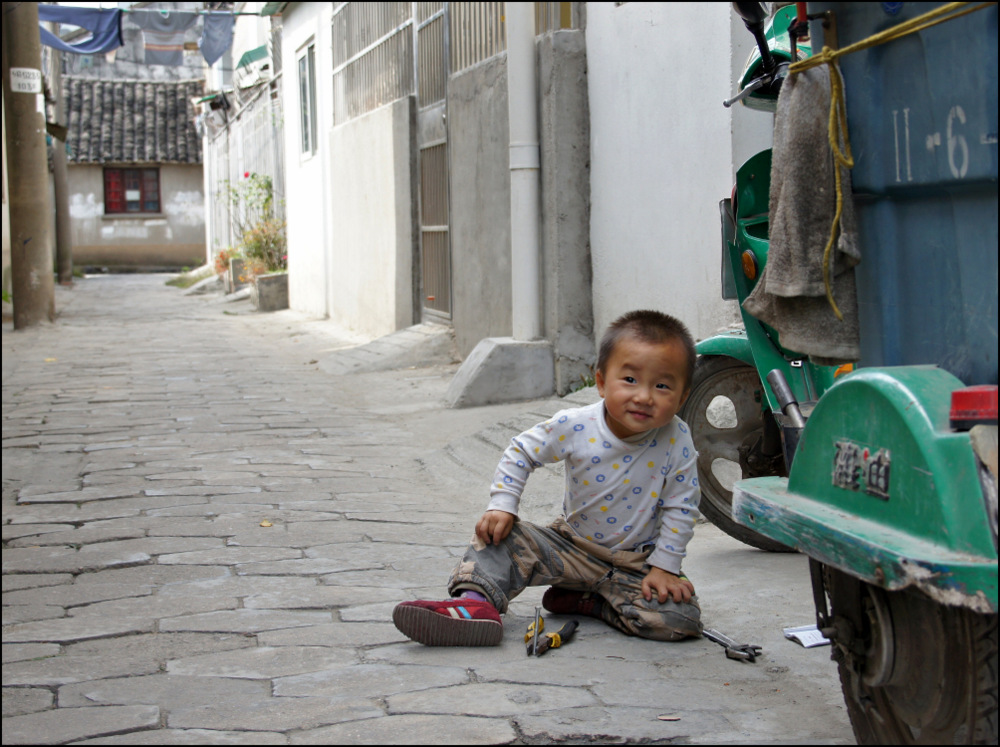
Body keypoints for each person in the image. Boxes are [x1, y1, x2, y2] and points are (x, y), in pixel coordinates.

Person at [393, 309, 703, 646]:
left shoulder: (677, 438)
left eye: (661, 386)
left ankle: (588, 601)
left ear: (682, 396)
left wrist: (665, 567)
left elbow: (682, 506)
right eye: (629, 380)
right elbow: (521, 451)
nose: (644, 396)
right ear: (600, 382)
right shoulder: (577, 424)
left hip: (636, 562)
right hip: (569, 547)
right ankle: (473, 607)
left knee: (680, 618)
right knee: (501, 538)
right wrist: (503, 505)